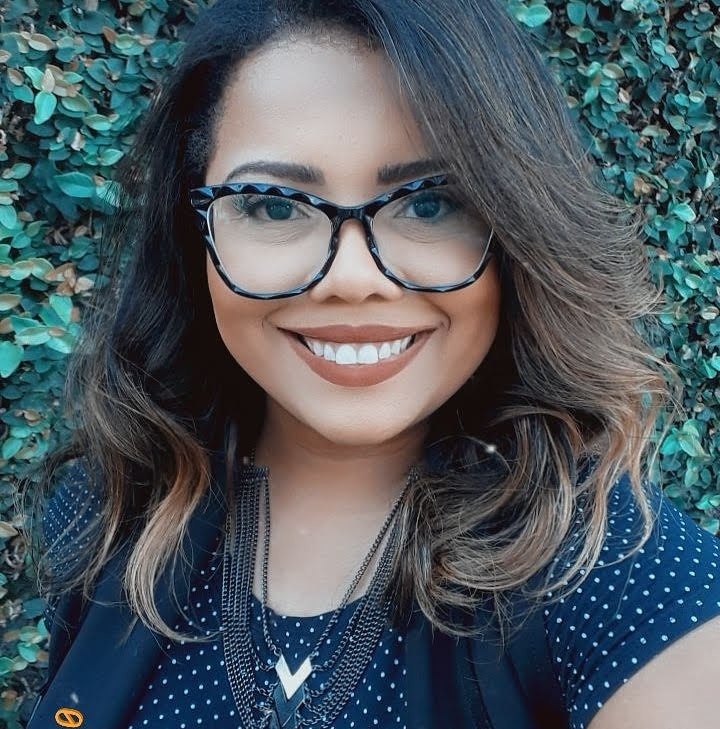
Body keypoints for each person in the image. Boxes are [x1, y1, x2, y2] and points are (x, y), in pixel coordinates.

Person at [27, 1, 720, 728]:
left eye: (430, 204)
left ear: (520, 229)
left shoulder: (622, 576)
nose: (352, 279)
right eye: (272, 206)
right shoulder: (109, 513)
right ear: (193, 232)